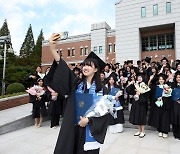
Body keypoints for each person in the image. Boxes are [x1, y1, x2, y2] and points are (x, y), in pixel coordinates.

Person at [48, 33, 110, 154]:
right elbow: (63, 68)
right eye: (84, 65)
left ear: (96, 69)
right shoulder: (75, 84)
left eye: (89, 65)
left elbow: (104, 113)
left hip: (90, 129)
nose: (85, 67)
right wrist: (52, 48)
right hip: (73, 128)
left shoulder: (103, 90)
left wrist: (88, 120)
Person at [148, 74, 172, 138]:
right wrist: (157, 98)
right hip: (158, 104)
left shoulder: (167, 87)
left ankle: (165, 131)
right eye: (160, 79)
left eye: (162, 79)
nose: (161, 80)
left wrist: (163, 98)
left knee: (165, 118)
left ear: (164, 80)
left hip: (165, 105)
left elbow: (169, 96)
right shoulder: (156, 87)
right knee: (159, 117)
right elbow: (150, 91)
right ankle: (160, 130)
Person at [126, 73, 150, 138]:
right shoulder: (135, 85)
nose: (139, 78)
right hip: (136, 103)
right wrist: (130, 84)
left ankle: (143, 131)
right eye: (138, 77)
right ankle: (139, 130)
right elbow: (129, 91)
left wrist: (140, 94)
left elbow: (146, 97)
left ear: (143, 78)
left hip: (142, 104)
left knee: (141, 117)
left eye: (141, 77)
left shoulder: (145, 86)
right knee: (137, 116)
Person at [171, 71, 180, 139]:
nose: (178, 78)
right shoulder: (173, 85)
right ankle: (175, 133)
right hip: (174, 104)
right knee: (175, 118)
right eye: (177, 77)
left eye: (179, 77)